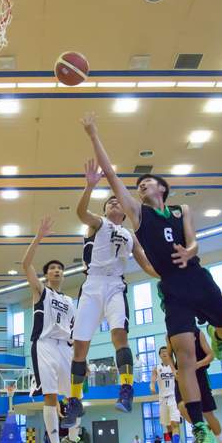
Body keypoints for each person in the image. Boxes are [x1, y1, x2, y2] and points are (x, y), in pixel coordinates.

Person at [81, 112, 222, 443]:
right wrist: (94, 134)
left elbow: (195, 241)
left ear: (163, 189)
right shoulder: (139, 216)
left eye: (149, 182)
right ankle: (199, 428)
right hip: (174, 289)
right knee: (184, 357)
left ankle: (214, 331)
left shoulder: (183, 210)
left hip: (198, 278)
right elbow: (111, 174)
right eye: (140, 185)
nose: (142, 186)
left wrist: (190, 251)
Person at [68, 159, 158, 423]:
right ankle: (74, 400)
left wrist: (168, 275)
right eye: (109, 202)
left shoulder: (131, 235)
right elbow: (81, 213)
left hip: (116, 285)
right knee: (80, 348)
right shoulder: (98, 224)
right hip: (93, 285)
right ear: (105, 210)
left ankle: (126, 388)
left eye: (117, 201)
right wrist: (89, 187)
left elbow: (146, 263)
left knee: (120, 334)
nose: (114, 203)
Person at [21, 217, 83, 443]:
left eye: (60, 269)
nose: (57, 270)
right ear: (46, 275)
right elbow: (26, 264)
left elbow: (76, 332)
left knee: (73, 400)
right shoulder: (40, 291)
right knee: (50, 397)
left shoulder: (69, 301)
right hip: (44, 345)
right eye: (52, 268)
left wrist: (82, 358)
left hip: (65, 349)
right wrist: (39, 237)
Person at [167, 326, 222, 443]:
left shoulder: (197, 332)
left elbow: (211, 355)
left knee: (209, 414)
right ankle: (204, 431)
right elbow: (168, 355)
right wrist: (173, 370)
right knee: (182, 407)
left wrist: (197, 364)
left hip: (199, 375)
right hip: (182, 376)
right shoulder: (170, 334)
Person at [151, 346, 180, 443]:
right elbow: (153, 379)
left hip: (173, 396)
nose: (164, 353)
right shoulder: (156, 368)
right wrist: (152, 385)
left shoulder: (174, 366)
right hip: (162, 399)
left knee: (174, 423)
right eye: (162, 352)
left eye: (165, 351)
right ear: (159, 355)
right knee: (168, 426)